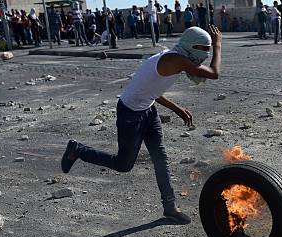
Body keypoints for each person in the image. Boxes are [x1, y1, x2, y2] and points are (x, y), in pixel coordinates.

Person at [61, 26, 222, 225]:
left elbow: (151, 89)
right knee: (123, 165)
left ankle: (170, 207)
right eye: (203, 49)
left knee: (160, 158)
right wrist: (218, 45)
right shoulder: (175, 59)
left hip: (148, 110)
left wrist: (176, 108)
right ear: (190, 46)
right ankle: (77, 150)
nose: (206, 54)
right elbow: (214, 73)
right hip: (130, 113)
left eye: (208, 50)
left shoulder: (178, 58)